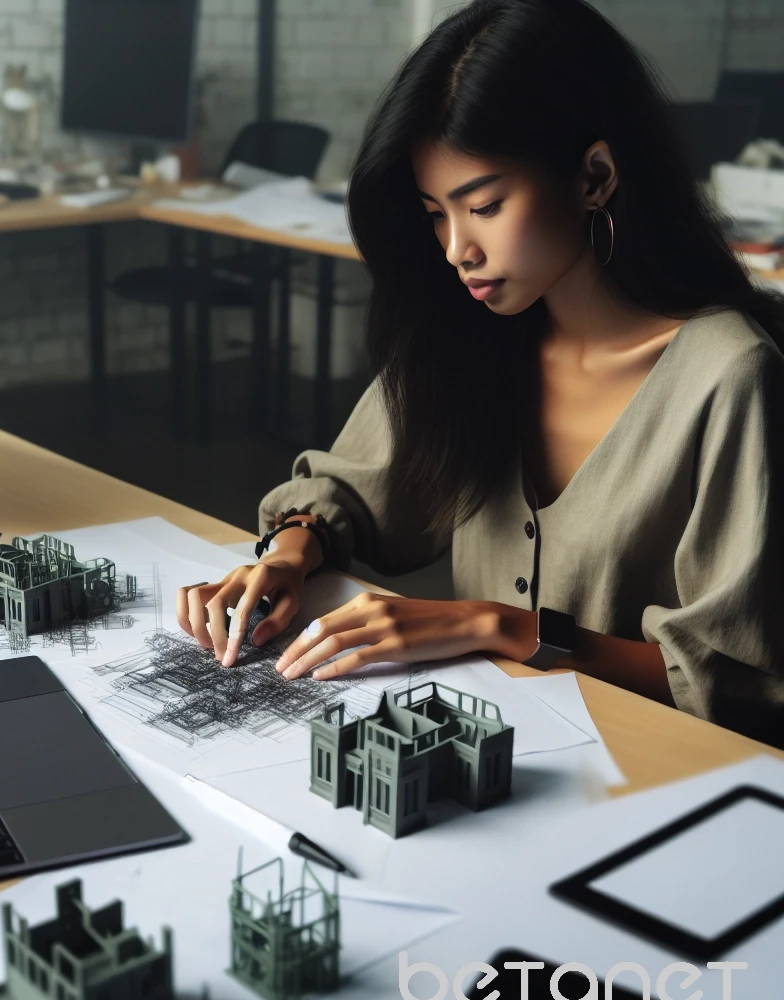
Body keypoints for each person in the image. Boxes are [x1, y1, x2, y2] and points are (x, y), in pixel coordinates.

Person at [175, 0, 784, 747]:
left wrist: (493, 625)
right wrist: (291, 550)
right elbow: (356, 490)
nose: (457, 248)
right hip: (485, 757)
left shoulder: (730, 379)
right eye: (436, 213)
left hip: (656, 782)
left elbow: (739, 683)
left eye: (485, 205)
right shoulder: (475, 334)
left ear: (595, 176)